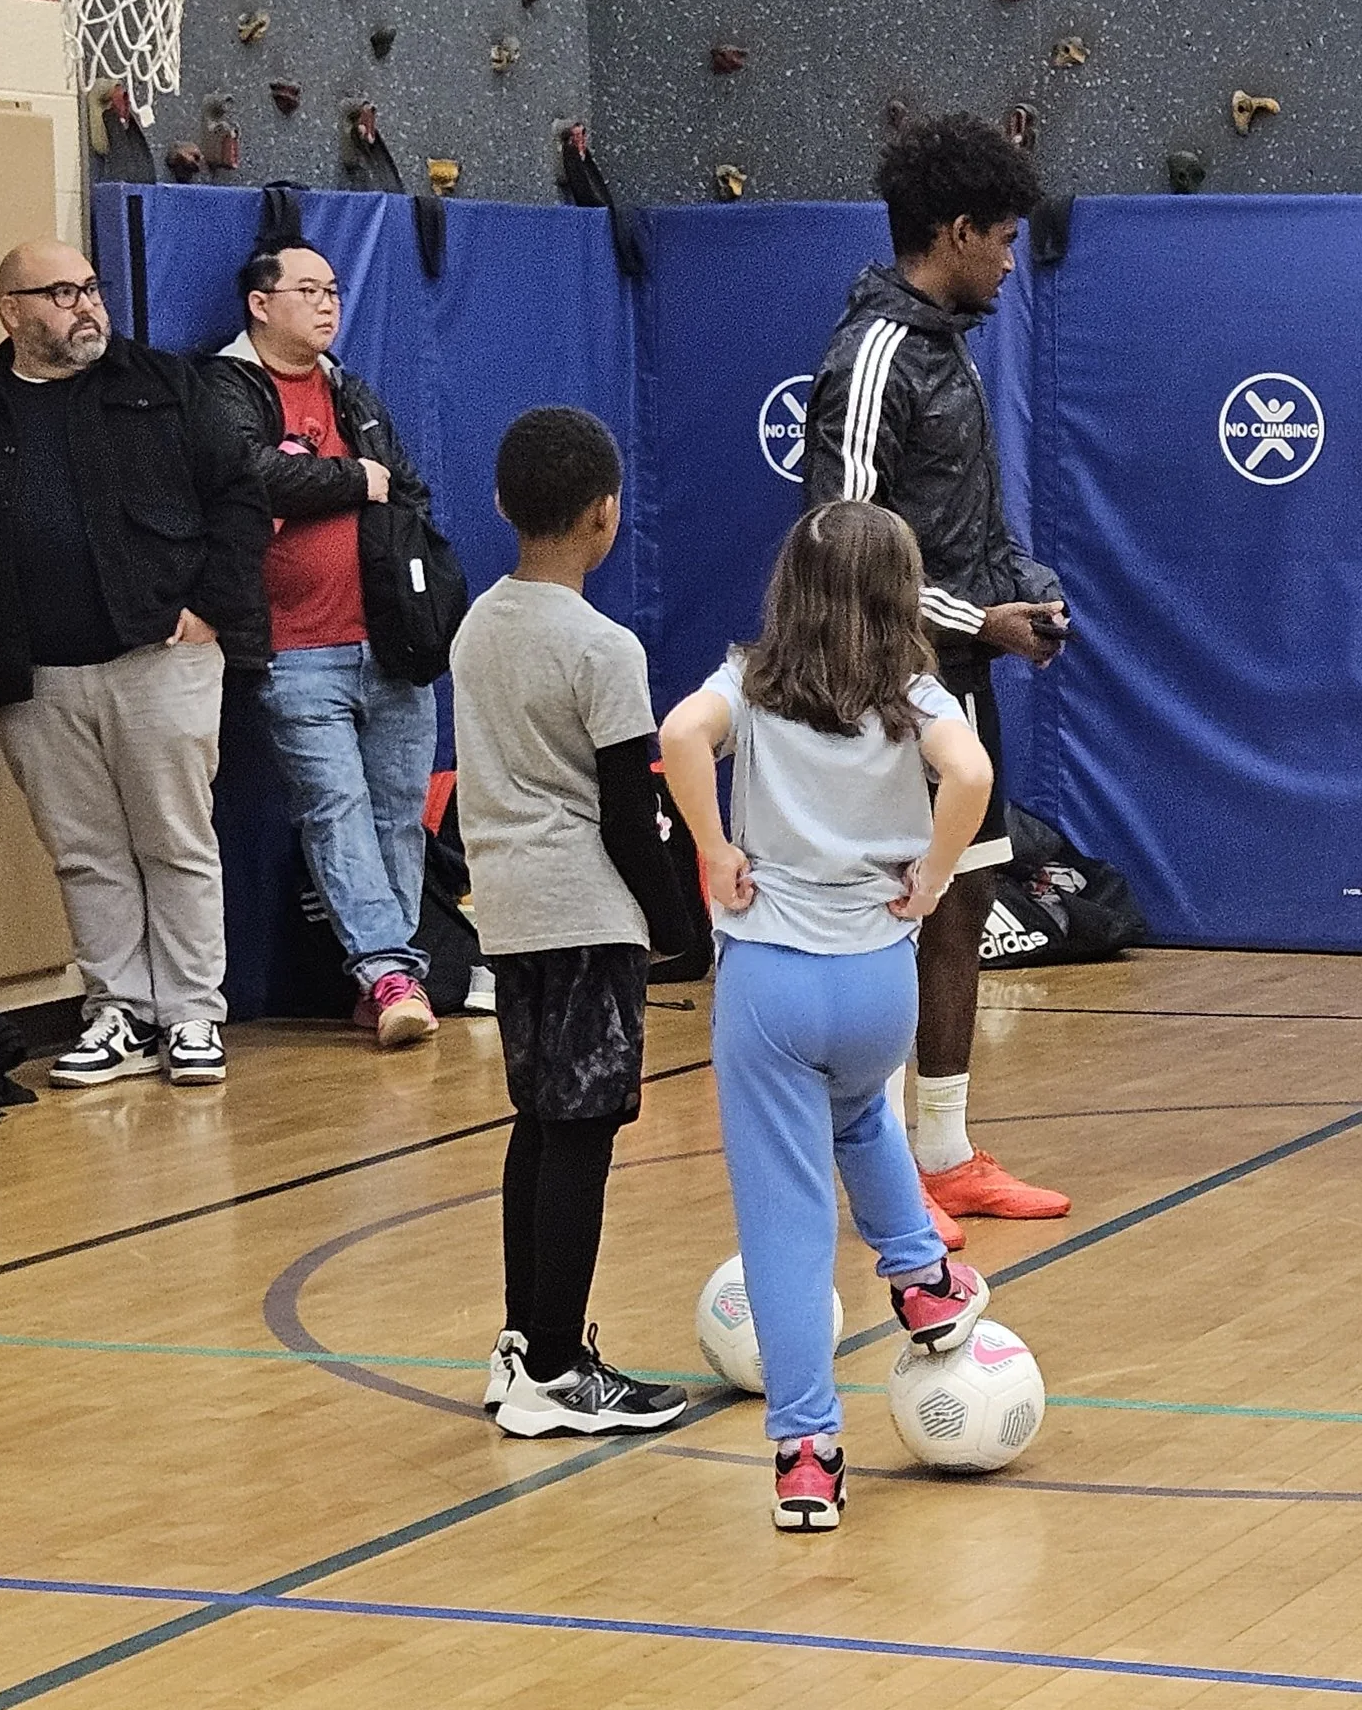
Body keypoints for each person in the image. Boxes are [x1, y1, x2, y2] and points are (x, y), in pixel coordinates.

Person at [659, 501, 995, 1532]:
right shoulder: (912, 693)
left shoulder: (749, 685)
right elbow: (971, 773)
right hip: (878, 983)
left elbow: (676, 734)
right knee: (859, 1116)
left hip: (771, 979)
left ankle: (806, 1450)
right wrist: (934, 875)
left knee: (785, 1226)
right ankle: (924, 1282)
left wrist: (714, 849)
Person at [799, 110, 1069, 1238]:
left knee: (962, 901)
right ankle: (873, 1170)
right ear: (955, 232)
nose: (1010, 261)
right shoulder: (869, 358)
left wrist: (1028, 590)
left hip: (956, 676)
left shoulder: (945, 349)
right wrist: (976, 616)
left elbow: (965, 528)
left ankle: (945, 1154)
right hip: (877, 680)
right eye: (1001, 238)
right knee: (880, 921)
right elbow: (838, 535)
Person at [0, 240, 268, 1087]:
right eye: (59, 293)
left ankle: (193, 1014)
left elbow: (241, 497)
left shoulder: (162, 384)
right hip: (33, 676)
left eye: (91, 287)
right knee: (85, 852)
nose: (85, 306)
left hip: (161, 654)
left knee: (175, 840)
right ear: (11, 309)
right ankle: (118, 1010)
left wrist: (210, 613)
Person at [451, 406, 690, 1441]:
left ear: (503, 504)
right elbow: (629, 816)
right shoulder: (604, 647)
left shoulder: (475, 626)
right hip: (588, 915)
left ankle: (524, 1343)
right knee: (583, 1130)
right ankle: (555, 1368)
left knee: (540, 1125)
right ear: (606, 514)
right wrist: (686, 928)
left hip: (506, 915)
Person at [199, 242, 448, 1047]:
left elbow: (404, 488)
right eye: (306, 288)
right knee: (334, 811)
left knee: (397, 817)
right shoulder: (224, 387)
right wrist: (349, 481)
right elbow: (248, 476)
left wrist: (338, 480)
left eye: (333, 288)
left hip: (392, 647)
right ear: (259, 304)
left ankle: (390, 974)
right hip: (296, 653)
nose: (327, 302)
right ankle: (387, 971)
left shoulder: (352, 389)